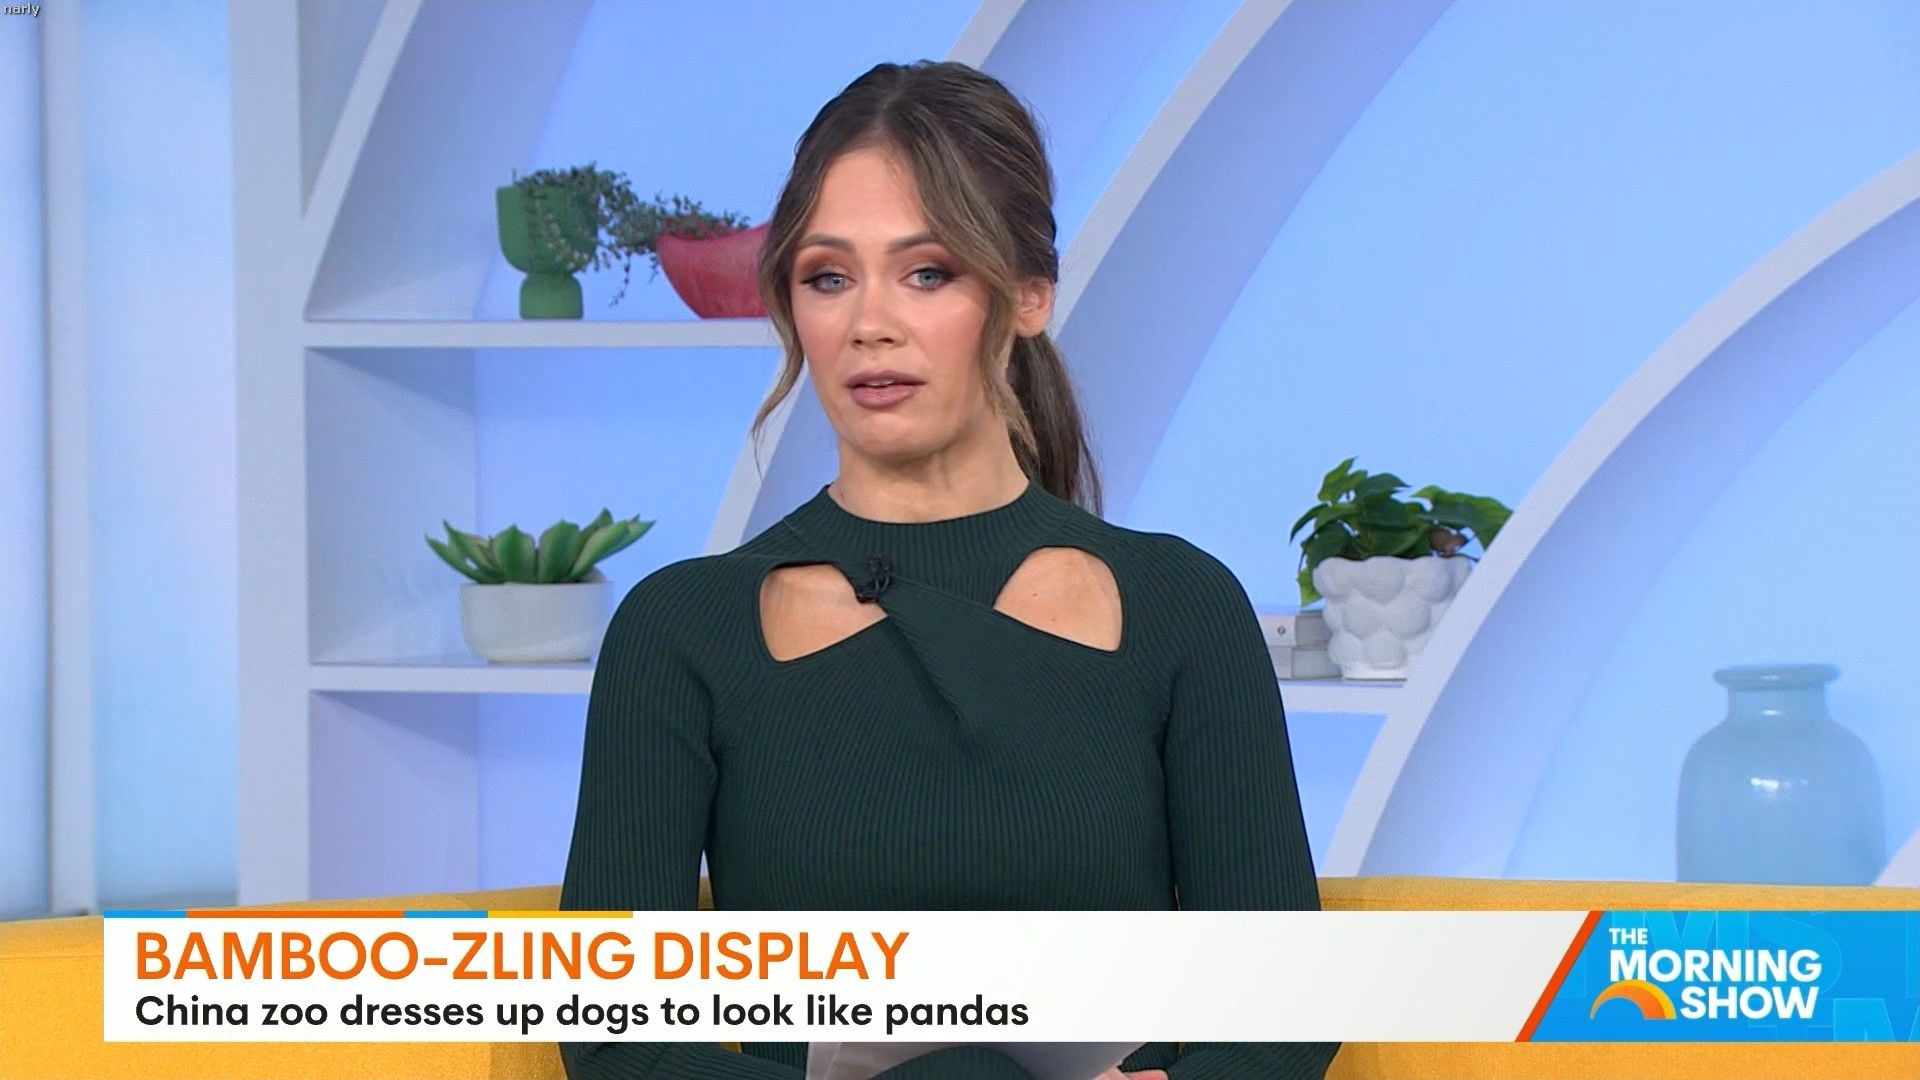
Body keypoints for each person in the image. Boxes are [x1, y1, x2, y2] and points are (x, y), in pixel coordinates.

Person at [559, 59, 1338, 1080]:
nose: (870, 323)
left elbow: (1285, 1012)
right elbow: (620, 1041)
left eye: (927, 273)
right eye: (828, 277)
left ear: (1027, 294)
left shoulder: (1180, 608)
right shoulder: (683, 630)